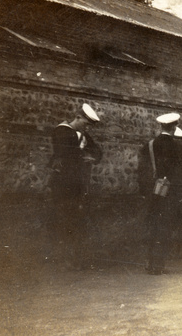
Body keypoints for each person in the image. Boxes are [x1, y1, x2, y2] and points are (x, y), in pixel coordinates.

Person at [49, 103, 102, 270]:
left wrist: (93, 158)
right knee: (63, 220)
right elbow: (68, 153)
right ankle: (61, 260)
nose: (86, 127)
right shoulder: (62, 131)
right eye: (85, 123)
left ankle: (74, 260)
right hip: (63, 185)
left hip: (76, 185)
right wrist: (85, 155)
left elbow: (98, 151)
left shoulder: (82, 134)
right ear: (78, 117)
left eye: (88, 125)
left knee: (75, 221)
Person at [138, 113, 182, 275]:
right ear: (174, 127)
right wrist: (179, 194)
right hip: (169, 196)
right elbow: (180, 174)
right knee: (164, 228)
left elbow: (142, 171)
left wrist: (145, 191)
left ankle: (149, 263)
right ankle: (158, 264)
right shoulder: (177, 147)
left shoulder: (149, 145)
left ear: (161, 127)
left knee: (152, 226)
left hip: (152, 193)